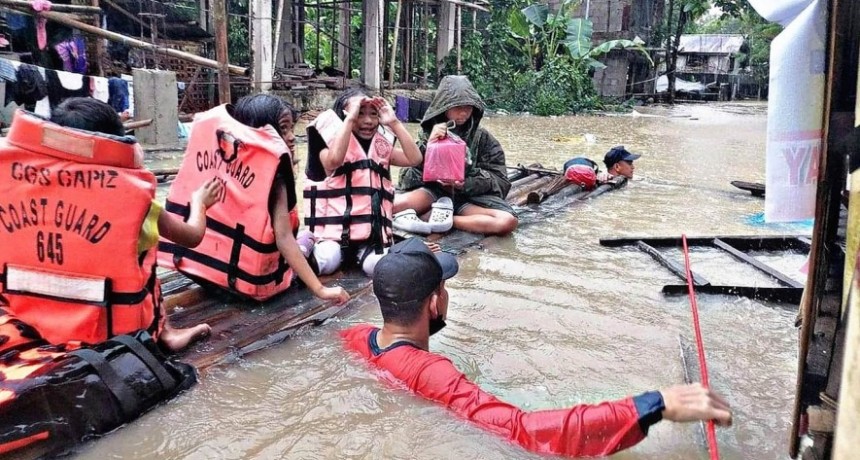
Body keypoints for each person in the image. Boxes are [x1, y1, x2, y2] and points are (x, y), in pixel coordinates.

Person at [341, 237, 734, 458]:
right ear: (433, 303)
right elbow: (524, 431)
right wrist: (653, 404)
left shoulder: (355, 337)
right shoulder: (433, 371)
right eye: (445, 289)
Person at [0, 98, 219, 351]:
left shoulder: (12, 182)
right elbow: (191, 236)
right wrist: (200, 203)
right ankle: (165, 333)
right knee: (144, 251)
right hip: (111, 333)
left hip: (27, 323)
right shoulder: (134, 198)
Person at [231, 94, 348, 303]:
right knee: (309, 237)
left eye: (291, 128)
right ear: (259, 131)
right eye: (283, 129)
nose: (292, 137)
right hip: (258, 277)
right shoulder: (276, 179)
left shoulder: (228, 164)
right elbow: (283, 238)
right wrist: (321, 290)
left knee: (307, 236)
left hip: (227, 271)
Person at [303, 87, 422, 276]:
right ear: (345, 115)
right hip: (332, 238)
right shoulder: (326, 146)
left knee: (380, 267)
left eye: (373, 114)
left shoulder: (381, 147)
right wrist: (350, 119)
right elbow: (334, 161)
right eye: (360, 113)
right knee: (327, 260)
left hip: (370, 239)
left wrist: (394, 122)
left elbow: (414, 159)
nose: (368, 121)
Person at [394, 76, 518, 236]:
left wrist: (464, 183)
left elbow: (500, 181)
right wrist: (429, 146)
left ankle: (443, 220)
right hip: (432, 193)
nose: (464, 113)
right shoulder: (430, 132)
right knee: (389, 207)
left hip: (467, 199)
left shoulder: (483, 139)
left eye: (469, 107)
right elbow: (408, 173)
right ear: (444, 107)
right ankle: (434, 214)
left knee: (507, 221)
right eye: (458, 107)